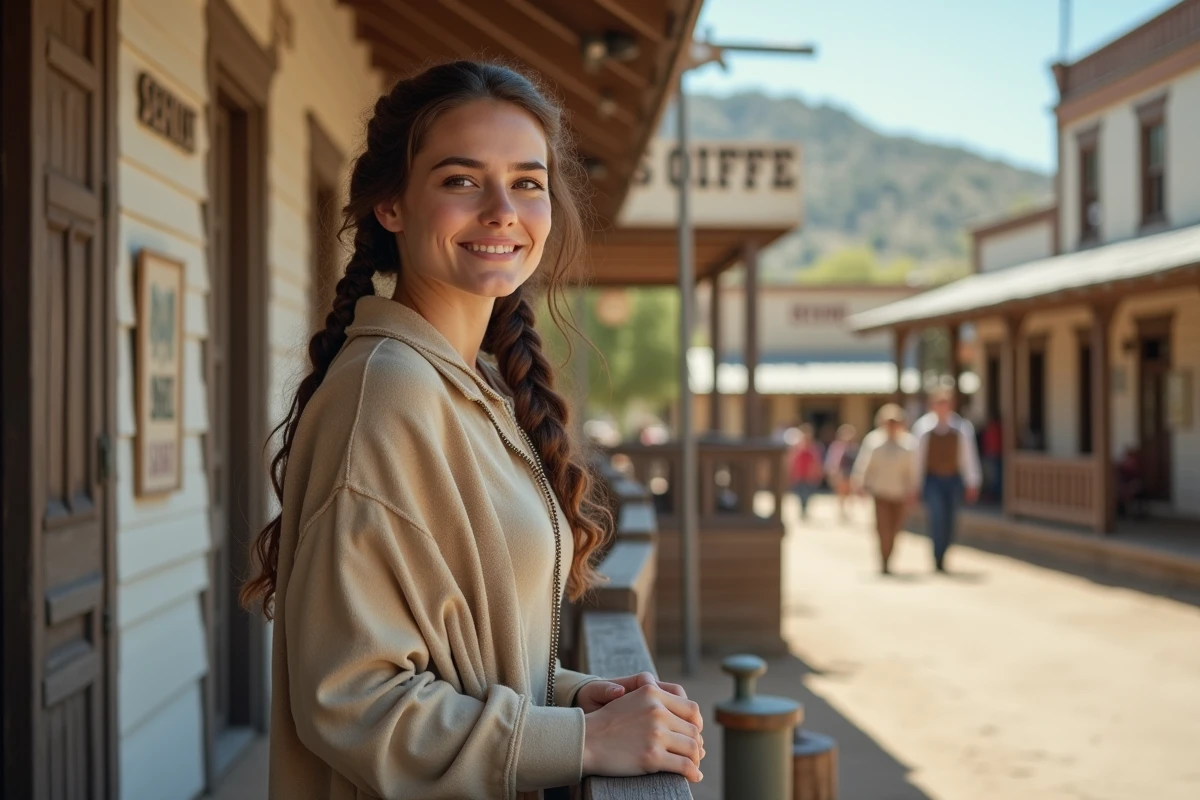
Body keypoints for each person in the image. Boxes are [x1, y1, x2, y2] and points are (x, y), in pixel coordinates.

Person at [239, 62, 704, 800]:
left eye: (527, 181)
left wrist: (576, 697)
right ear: (390, 205)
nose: (502, 209)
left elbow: (475, 649)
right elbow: (352, 700)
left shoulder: (470, 389)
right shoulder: (386, 394)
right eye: (461, 180)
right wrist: (583, 743)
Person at [911, 387, 982, 572]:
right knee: (937, 516)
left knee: (950, 519)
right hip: (933, 479)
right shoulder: (923, 428)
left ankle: (945, 551)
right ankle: (937, 555)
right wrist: (915, 485)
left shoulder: (961, 428)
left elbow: (968, 457)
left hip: (953, 479)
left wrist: (972, 482)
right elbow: (918, 459)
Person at [851, 405, 919, 574]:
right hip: (880, 492)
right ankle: (883, 559)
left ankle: (889, 556)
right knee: (883, 528)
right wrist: (859, 483)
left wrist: (913, 491)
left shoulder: (908, 444)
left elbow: (912, 470)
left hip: (900, 493)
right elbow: (864, 465)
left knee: (895, 528)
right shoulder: (874, 442)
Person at [789, 423, 825, 520]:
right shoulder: (797, 447)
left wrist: (817, 474)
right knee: (800, 494)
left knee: (808, 494)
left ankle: (805, 510)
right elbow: (793, 461)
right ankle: (802, 511)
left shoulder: (814, 448)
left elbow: (817, 462)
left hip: (810, 476)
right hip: (799, 475)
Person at [824, 424, 860, 522]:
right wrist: (833, 472)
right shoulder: (837, 447)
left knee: (850, 494)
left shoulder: (854, 447)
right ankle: (841, 511)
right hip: (841, 473)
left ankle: (848, 511)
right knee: (841, 493)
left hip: (851, 473)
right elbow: (832, 460)